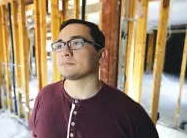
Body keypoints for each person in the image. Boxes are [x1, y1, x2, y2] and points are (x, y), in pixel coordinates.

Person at [29, 19, 159, 138]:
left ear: (101, 55)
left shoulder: (131, 114)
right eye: (59, 46)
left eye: (76, 43)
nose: (65, 52)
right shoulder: (44, 96)